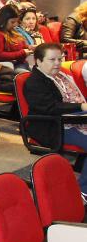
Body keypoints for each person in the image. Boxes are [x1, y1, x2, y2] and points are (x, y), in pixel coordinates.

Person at [24, 43, 87, 193]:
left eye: (60, 58)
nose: (58, 63)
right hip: (52, 124)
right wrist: (81, 107)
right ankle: (83, 191)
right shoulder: (34, 82)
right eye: (52, 60)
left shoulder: (61, 76)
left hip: (72, 118)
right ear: (38, 61)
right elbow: (50, 108)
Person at [0, 4, 30, 70]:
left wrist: (29, 48)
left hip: (18, 64)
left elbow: (18, 46)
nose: (15, 25)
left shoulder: (10, 30)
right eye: (12, 22)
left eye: (16, 22)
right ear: (4, 20)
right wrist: (22, 53)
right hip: (5, 68)